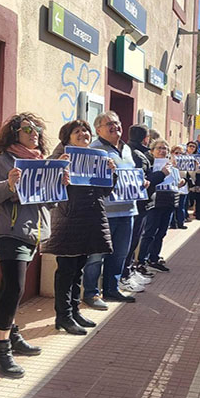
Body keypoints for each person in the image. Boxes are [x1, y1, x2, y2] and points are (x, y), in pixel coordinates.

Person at [0, 112, 67, 377]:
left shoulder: (42, 162)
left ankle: (12, 334)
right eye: (27, 128)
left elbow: (47, 203)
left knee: (11, 287)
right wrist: (10, 185)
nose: (34, 132)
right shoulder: (2, 160)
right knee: (14, 286)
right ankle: (0, 350)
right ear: (15, 132)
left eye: (37, 128)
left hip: (33, 233)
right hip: (8, 232)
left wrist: (59, 187)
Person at [43, 120, 115, 336]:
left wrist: (111, 173)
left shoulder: (96, 157)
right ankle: (63, 316)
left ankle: (74, 311)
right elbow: (47, 186)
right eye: (77, 131)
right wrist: (57, 168)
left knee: (78, 269)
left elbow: (105, 192)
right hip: (68, 220)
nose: (83, 134)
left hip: (89, 219)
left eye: (86, 131)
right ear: (67, 137)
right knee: (66, 270)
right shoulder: (58, 157)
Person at [83, 111, 144, 309]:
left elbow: (130, 175)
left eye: (117, 123)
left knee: (120, 253)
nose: (115, 126)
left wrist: (141, 183)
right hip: (103, 212)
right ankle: (91, 294)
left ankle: (111, 288)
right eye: (109, 123)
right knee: (96, 256)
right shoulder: (93, 149)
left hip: (128, 211)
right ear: (98, 129)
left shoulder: (126, 149)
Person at [121, 124, 167, 292]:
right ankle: (125, 274)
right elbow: (144, 181)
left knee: (133, 241)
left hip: (140, 203)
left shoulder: (130, 151)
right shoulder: (138, 155)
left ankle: (129, 271)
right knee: (131, 241)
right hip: (139, 203)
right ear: (146, 138)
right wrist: (162, 174)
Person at [137, 139, 185, 272]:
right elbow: (148, 181)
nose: (162, 151)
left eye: (165, 149)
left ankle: (154, 258)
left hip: (169, 201)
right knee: (150, 232)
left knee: (162, 232)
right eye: (159, 148)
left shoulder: (172, 165)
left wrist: (182, 181)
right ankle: (142, 260)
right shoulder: (150, 165)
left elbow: (179, 181)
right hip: (155, 202)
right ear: (152, 151)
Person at [170, 144, 190, 229]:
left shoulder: (185, 163)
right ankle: (173, 224)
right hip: (173, 187)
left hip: (182, 187)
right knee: (173, 206)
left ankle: (181, 223)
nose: (178, 155)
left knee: (181, 205)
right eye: (176, 153)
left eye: (181, 153)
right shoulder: (168, 162)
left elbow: (190, 174)